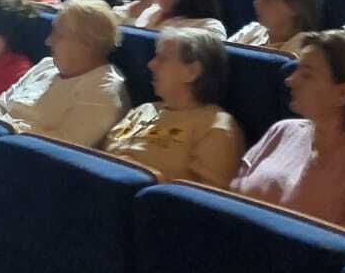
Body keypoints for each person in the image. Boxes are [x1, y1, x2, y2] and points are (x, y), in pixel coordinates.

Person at [231, 31, 345, 248]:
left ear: (343, 94)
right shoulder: (281, 131)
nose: (290, 80)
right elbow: (230, 203)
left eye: (307, 75)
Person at [102, 27, 245, 187]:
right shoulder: (143, 109)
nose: (151, 64)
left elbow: (201, 202)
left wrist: (138, 174)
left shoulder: (216, 127)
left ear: (192, 72)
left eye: (162, 58)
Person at [0, 0, 130, 146]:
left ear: (87, 44)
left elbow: (59, 149)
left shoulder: (104, 91)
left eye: (58, 34)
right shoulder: (47, 65)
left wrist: (3, 129)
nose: (48, 41)